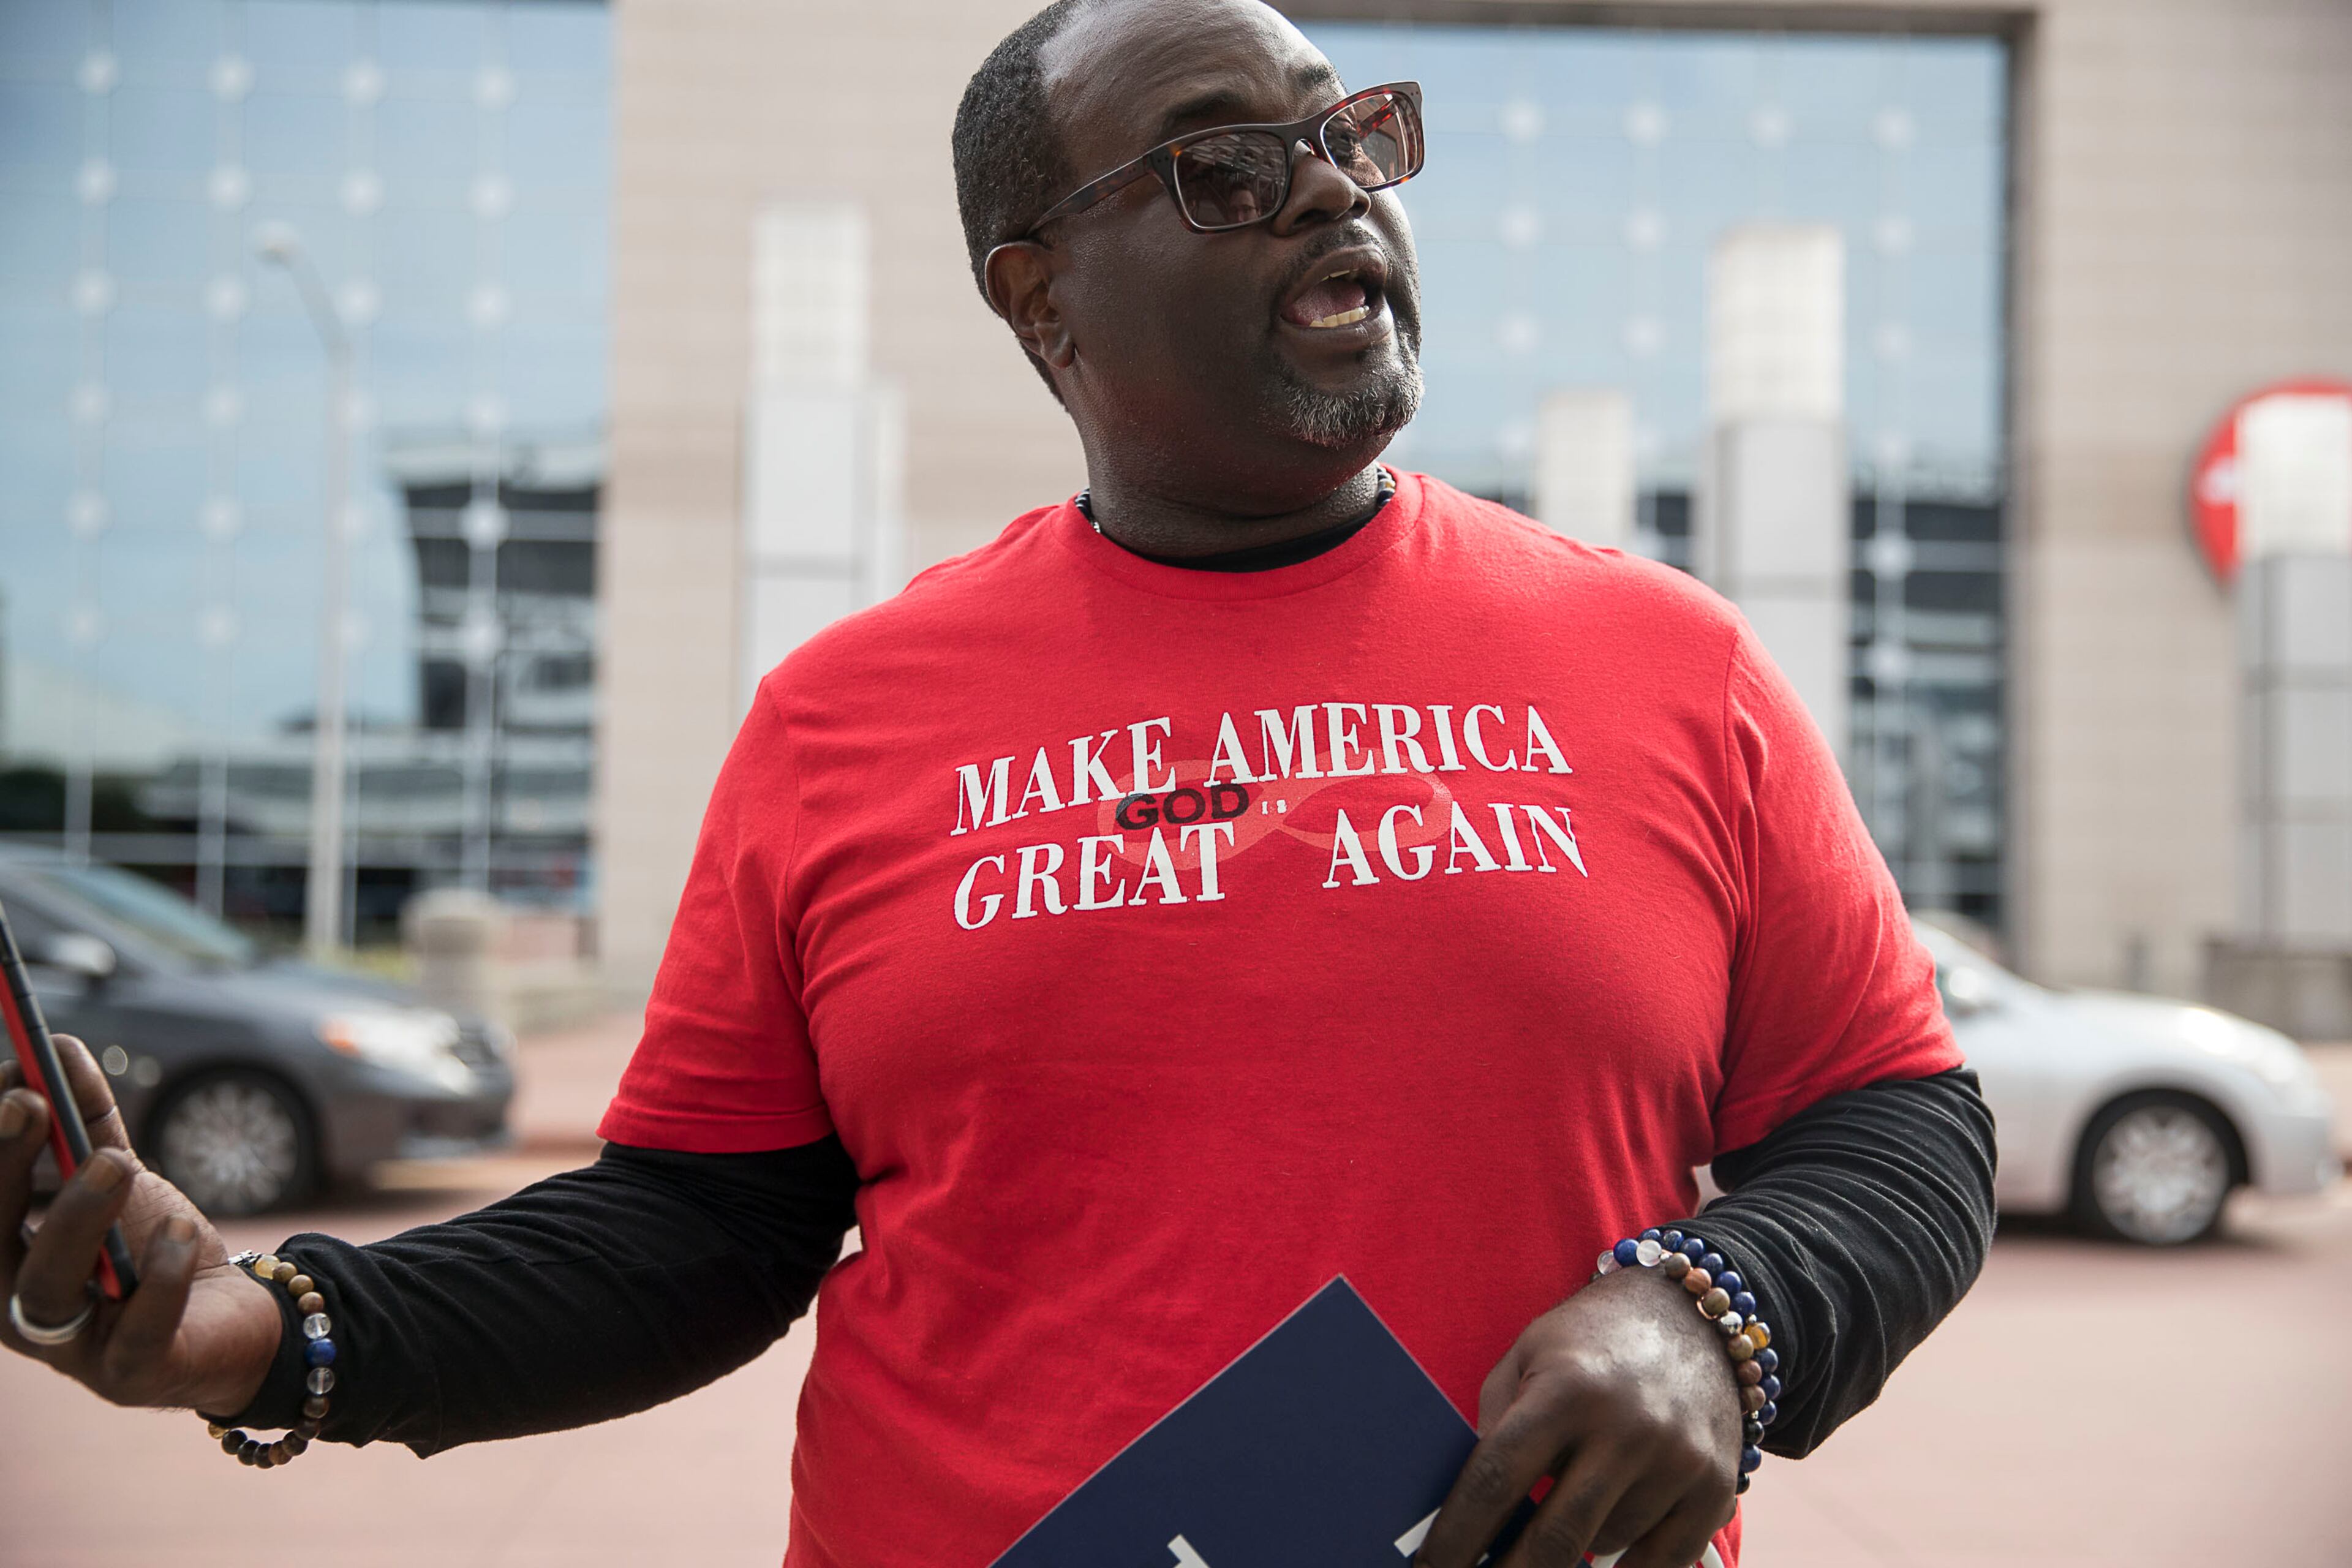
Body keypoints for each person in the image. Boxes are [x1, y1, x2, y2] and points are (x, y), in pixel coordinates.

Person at [0, 2, 1995, 1564]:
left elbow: (1902, 1124)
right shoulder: (843, 719)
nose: (1332, 194)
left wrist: (1713, 1313)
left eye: (1345, 137)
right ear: (1038, 298)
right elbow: (692, 1235)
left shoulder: (1668, 663)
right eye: (1227, 168)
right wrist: (265, 1335)